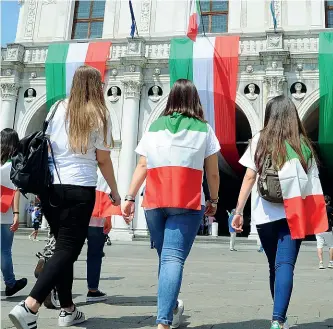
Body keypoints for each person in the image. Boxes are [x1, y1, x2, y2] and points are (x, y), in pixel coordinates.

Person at [9, 65, 121, 329]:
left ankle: (68, 309)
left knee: (63, 247)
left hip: (52, 187)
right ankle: (30, 305)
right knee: (68, 249)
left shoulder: (57, 107)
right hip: (80, 188)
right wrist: (114, 191)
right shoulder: (100, 114)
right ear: (96, 87)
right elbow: (103, 161)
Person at [121, 79, 220, 329]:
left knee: (166, 258)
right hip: (187, 202)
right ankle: (163, 322)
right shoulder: (203, 129)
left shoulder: (153, 127)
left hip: (154, 201)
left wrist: (129, 197)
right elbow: (213, 173)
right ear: (194, 100)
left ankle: (172, 307)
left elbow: (142, 165)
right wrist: (214, 200)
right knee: (172, 259)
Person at [232, 96, 320, 329]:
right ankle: (278, 320)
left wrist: (239, 210)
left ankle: (279, 317)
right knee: (285, 266)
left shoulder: (261, 139)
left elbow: (250, 176)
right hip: (294, 215)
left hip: (264, 216)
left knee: (274, 265)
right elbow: (312, 184)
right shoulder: (303, 143)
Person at [1, 128, 28, 297]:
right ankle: (10, 283)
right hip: (6, 211)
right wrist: (17, 213)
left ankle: (11, 283)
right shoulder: (13, 164)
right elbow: (17, 189)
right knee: (4, 250)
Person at [316, 195, 333, 269]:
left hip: (318, 229)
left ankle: (321, 263)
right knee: (331, 246)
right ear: (328, 202)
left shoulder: (317, 207)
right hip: (327, 229)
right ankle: (330, 262)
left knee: (319, 246)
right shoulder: (329, 208)